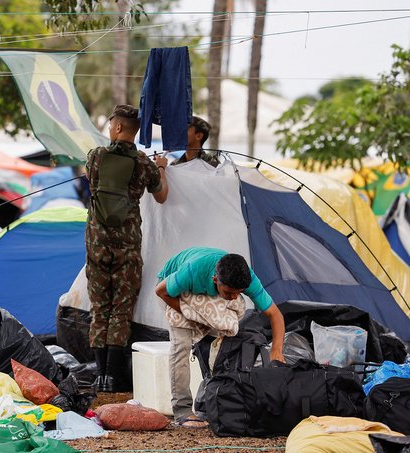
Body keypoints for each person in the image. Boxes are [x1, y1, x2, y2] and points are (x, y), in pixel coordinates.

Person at [86, 104, 169, 393]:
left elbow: (91, 182)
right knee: (121, 310)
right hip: (128, 247)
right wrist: (160, 167)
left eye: (111, 125)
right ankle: (112, 377)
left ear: (118, 128)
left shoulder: (96, 157)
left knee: (100, 308)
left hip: (97, 245)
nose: (110, 129)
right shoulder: (144, 163)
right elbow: (161, 196)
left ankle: (98, 375)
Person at [155, 247, 286, 428]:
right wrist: (192, 315)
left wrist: (276, 350)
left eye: (238, 293)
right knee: (182, 345)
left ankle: (215, 396)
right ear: (215, 280)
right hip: (173, 293)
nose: (233, 297)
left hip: (206, 296)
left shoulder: (248, 279)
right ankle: (182, 410)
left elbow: (275, 314)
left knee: (224, 331)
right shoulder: (192, 271)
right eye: (229, 293)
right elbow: (161, 291)